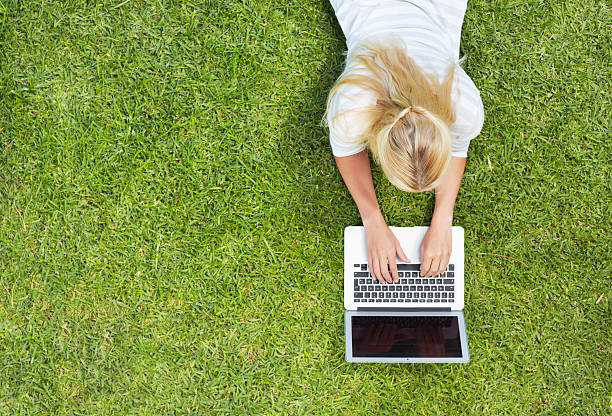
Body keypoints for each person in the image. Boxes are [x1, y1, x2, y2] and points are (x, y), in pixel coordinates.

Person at [324, 0, 484, 284]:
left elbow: (458, 148)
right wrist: (372, 220)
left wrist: (443, 219)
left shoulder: (464, 107)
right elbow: (345, 150)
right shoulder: (352, 106)